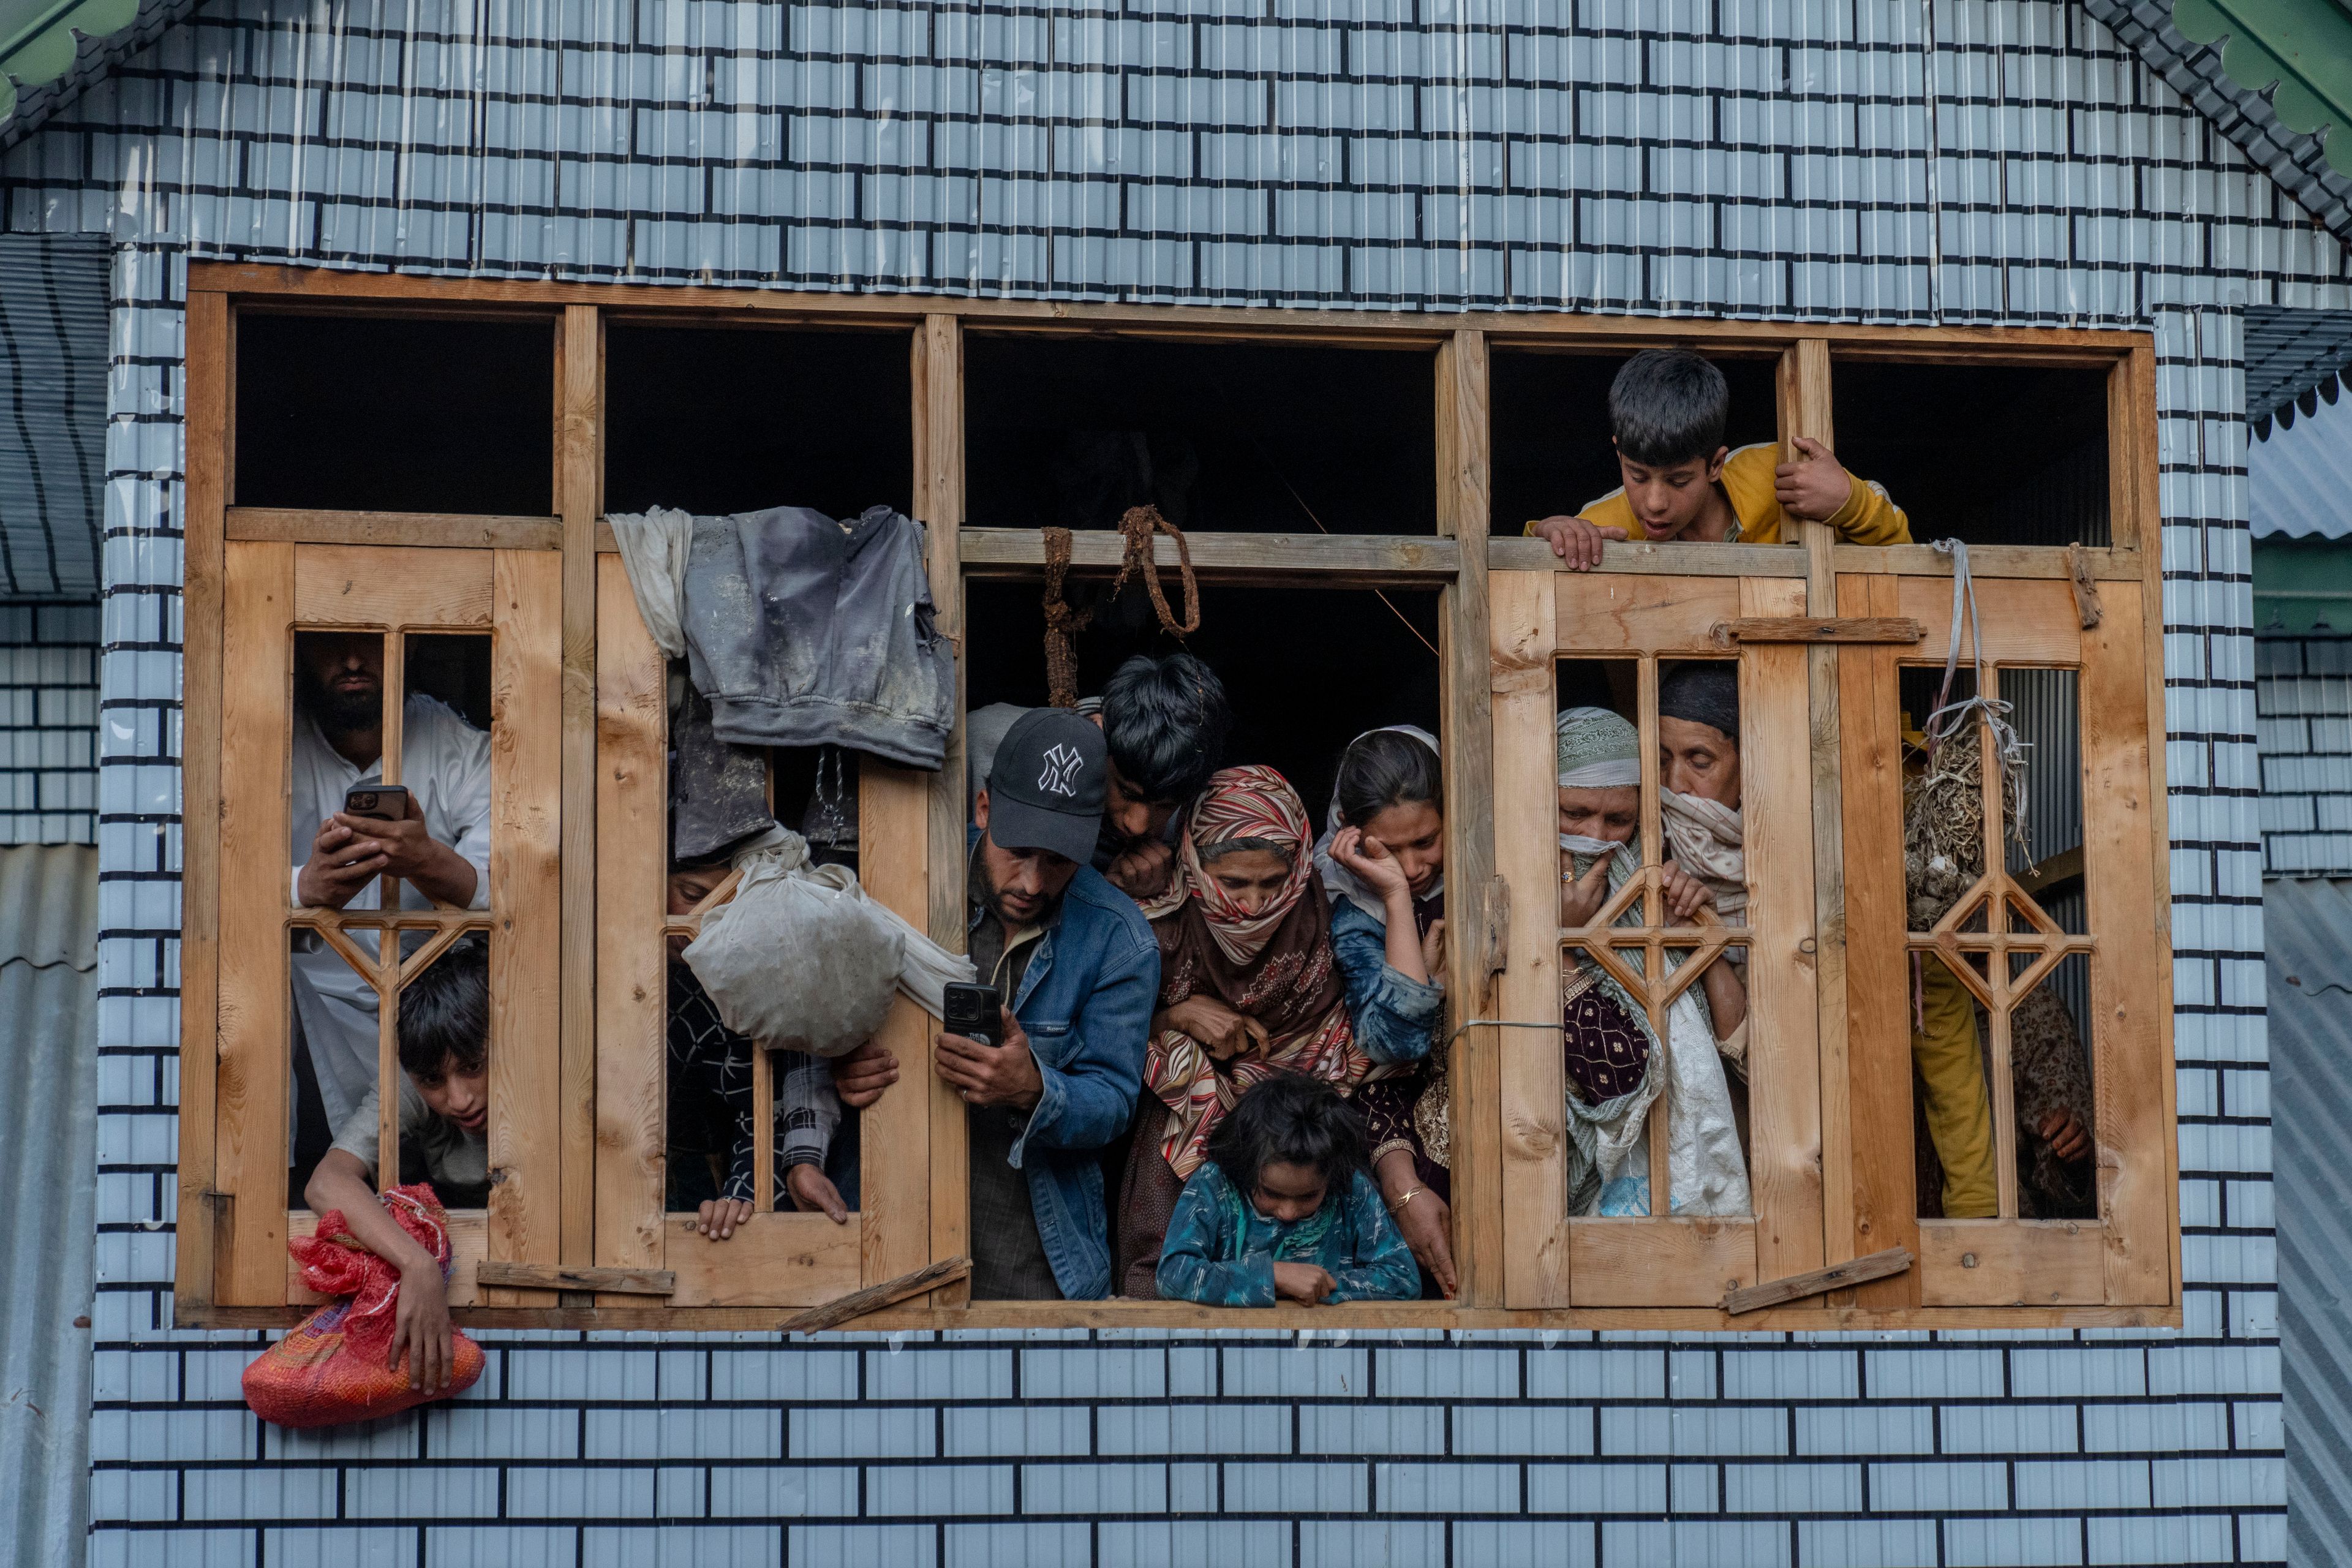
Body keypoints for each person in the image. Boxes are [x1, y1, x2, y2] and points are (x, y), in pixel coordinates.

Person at [1115, 765, 1380, 1298]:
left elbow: (1370, 1037)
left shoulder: (1327, 922)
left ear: (1303, 866)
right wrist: (1175, 1017)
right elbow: (1097, 1033)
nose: (1254, 906)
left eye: (1273, 884)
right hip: (1185, 1112)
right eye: (1233, 883)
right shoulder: (1152, 922)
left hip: (1308, 1114)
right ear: (1192, 864)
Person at [940, 707, 1161, 1300]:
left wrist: (1035, 1088)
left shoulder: (1119, 936)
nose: (1032, 883)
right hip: (898, 1227)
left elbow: (1114, 1102)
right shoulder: (915, 878)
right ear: (984, 809)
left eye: (1059, 860)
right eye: (1018, 850)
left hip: (1033, 1255)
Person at [287, 632, 492, 1196]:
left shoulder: (459, 749)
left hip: (437, 1014)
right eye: (332, 642)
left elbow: (514, 888)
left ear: (409, 646)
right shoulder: (268, 746)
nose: (352, 660)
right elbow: (220, 889)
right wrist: (306, 888)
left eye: (370, 642)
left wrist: (427, 861)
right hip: (307, 1019)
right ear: (302, 649)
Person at [1554, 705, 1750, 1216]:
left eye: (1618, 819)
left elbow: (1741, 1050)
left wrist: (1697, 933)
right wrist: (1562, 941)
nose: (1596, 837)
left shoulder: (1656, 889)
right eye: (1574, 814)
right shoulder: (1508, 897)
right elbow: (1612, 1073)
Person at [301, 937, 492, 1395]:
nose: (459, 1098)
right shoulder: (411, 1089)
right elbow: (326, 1181)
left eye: (474, 1067)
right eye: (433, 1081)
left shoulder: (544, 1071)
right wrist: (416, 1264)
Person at [1526, 349, 1910, 568]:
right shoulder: (1607, 524)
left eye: (1679, 480)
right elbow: (1529, 565)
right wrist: (1549, 532)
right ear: (1618, 452)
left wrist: (1848, 502)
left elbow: (1905, 551)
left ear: (1716, 465)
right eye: (1638, 476)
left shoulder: (1778, 474)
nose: (1655, 504)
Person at [1313, 727, 1455, 1296]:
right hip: (1400, 1147)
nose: (1413, 866)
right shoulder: (1354, 911)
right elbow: (1393, 1045)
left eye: (1426, 841)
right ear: (1349, 833)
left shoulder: (1484, 873)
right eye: (1386, 849)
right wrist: (1396, 901)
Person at [665, 862, 851, 1240]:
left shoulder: (740, 985)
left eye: (730, 904)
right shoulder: (601, 957)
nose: (705, 919)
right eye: (692, 895)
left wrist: (743, 1194)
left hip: (700, 1169)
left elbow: (760, 1104)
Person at [966, 652, 1232, 900]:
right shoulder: (988, 745)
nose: (1138, 825)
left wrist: (1147, 899)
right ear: (1097, 728)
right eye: (1127, 792)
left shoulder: (1194, 822)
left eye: (1165, 806)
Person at [1156, 1076, 1419, 1307]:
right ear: (1245, 1168)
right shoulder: (1216, 1184)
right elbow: (1173, 1275)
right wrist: (1273, 1277)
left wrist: (1320, 1285)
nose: (1289, 1213)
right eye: (1271, 1194)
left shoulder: (1350, 1188)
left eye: (1308, 1196)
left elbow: (1403, 1280)